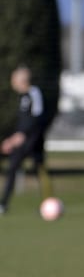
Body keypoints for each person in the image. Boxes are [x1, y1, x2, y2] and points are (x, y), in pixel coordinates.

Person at [0, 66, 54, 215]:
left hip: (32, 139)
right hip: (22, 138)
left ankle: (48, 203)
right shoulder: (22, 97)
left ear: (22, 80)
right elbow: (23, 122)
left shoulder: (34, 94)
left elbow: (35, 119)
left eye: (14, 79)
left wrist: (19, 137)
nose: (12, 82)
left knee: (40, 169)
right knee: (12, 168)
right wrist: (15, 137)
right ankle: (3, 204)